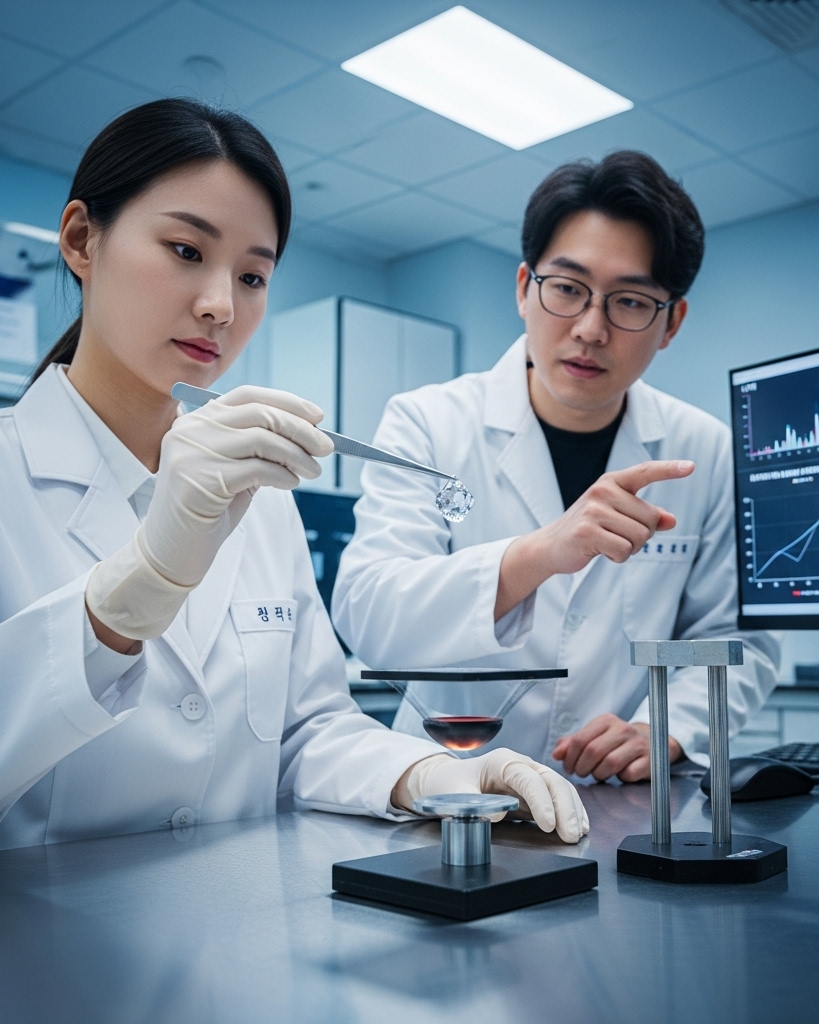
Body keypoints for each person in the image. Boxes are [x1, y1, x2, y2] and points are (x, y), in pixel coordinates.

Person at [0, 99, 587, 859]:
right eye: (186, 250)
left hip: (240, 923)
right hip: (23, 932)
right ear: (83, 239)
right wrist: (131, 592)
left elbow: (309, 729)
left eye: (252, 275)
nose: (221, 305)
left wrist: (432, 775)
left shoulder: (263, 501)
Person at [333, 151, 780, 782]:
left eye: (630, 302)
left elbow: (738, 640)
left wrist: (669, 728)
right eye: (568, 289)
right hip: (448, 788)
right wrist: (540, 554)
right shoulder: (427, 423)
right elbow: (370, 615)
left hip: (615, 798)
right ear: (524, 288)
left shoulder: (703, 451)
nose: (591, 329)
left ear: (671, 322)